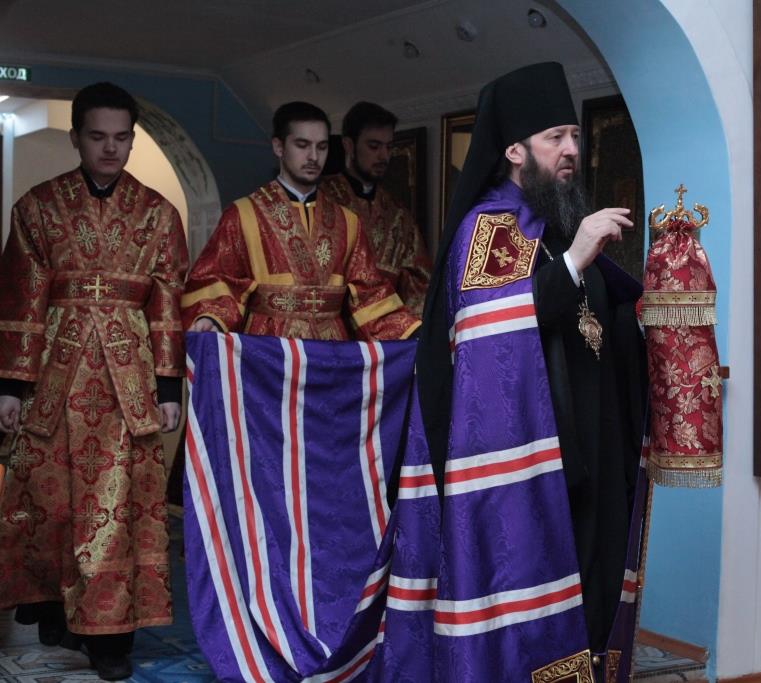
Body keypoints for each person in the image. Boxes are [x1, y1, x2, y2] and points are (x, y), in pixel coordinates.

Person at [409, 62, 647, 680]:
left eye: (575, 136)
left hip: (593, 441)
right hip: (540, 454)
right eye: (554, 138)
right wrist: (572, 262)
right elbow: (491, 335)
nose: (571, 150)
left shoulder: (559, 222)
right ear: (514, 150)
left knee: (595, 593)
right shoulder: (491, 225)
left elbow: (601, 317)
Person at [0, 82, 188, 681]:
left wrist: (168, 388)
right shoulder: (37, 207)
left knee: (120, 508)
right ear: (76, 137)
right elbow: (21, 297)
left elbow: (168, 304)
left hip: (128, 382)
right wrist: (9, 385)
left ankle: (112, 637)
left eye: (122, 137)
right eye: (98, 136)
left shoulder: (158, 213)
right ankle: (55, 609)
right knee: (52, 501)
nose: (111, 148)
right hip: (54, 377)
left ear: (132, 139)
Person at [182, 101, 420, 340]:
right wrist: (211, 317)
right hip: (268, 348)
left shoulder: (348, 222)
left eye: (322, 147)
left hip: (331, 349)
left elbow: (370, 293)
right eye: (302, 145)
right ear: (279, 147)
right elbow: (217, 278)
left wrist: (411, 331)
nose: (314, 157)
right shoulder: (243, 215)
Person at [321, 102, 432, 315]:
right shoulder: (322, 200)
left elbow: (420, 286)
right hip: (332, 325)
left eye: (388, 147)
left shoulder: (399, 215)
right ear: (349, 145)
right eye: (374, 146)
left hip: (386, 328)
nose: (383, 156)